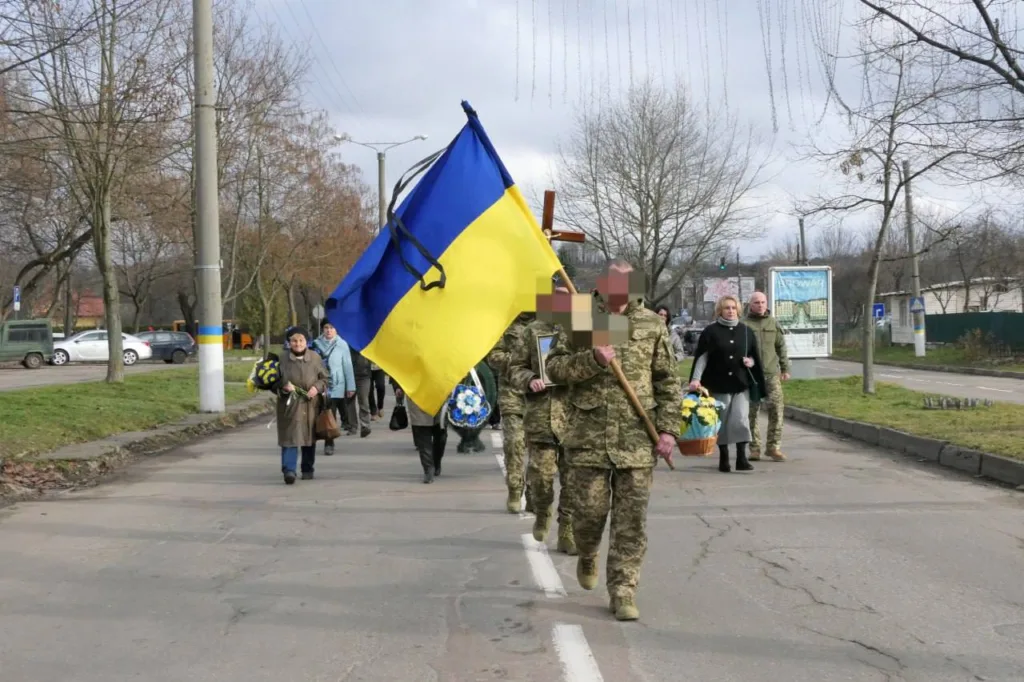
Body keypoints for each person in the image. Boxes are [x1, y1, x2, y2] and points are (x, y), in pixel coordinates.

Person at [546, 259, 681, 622]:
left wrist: (668, 430)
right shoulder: (580, 316)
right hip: (588, 435)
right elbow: (554, 368)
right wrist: (593, 359)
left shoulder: (651, 323)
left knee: (631, 521)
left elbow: (668, 381)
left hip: (636, 435)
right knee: (589, 515)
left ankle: (623, 590)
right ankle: (588, 550)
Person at [508, 286, 576, 555]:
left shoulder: (582, 329)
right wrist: (530, 379)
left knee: (573, 479)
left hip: (574, 416)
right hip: (541, 415)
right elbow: (515, 368)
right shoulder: (532, 330)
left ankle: (567, 529)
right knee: (541, 476)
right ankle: (542, 510)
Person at [688, 295, 768, 473]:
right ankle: (724, 457)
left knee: (740, 419)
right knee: (722, 421)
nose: (730, 311)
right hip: (718, 384)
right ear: (720, 311)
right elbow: (702, 357)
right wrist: (696, 379)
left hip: (740, 384)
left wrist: (750, 362)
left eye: (733, 308)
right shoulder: (710, 332)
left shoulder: (746, 332)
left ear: (738, 310)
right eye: (726, 308)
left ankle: (741, 458)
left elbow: (754, 357)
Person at [487, 314, 534, 514]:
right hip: (513, 393)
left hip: (541, 395)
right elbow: (493, 356)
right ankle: (515, 489)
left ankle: (534, 493)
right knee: (514, 443)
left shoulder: (552, 323)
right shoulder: (505, 323)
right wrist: (518, 360)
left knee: (541, 450)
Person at [275, 326, 329, 484]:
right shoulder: (282, 359)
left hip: (310, 405)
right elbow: (272, 381)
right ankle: (289, 470)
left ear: (306, 342)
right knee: (289, 437)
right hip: (289, 405)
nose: (298, 344)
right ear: (289, 342)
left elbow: (325, 378)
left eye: (301, 340)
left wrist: (317, 387)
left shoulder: (315, 358)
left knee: (309, 437)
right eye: (294, 341)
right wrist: (283, 386)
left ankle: (307, 468)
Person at [744, 291, 791, 461]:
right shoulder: (743, 325)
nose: (760, 305)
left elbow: (781, 347)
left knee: (777, 410)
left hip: (771, 375)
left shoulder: (773, 323)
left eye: (763, 302)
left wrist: (785, 368)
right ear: (750, 305)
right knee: (751, 413)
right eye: (756, 302)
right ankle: (754, 448)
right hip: (751, 376)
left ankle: (773, 447)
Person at [312, 320, 356, 456]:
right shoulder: (316, 344)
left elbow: (347, 366)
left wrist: (351, 387)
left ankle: (329, 443)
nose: (329, 330)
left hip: (336, 385)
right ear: (322, 329)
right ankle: (311, 440)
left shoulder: (342, 344)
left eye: (332, 328)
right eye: (326, 327)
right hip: (319, 384)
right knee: (317, 414)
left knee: (330, 414)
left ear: (336, 330)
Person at [393, 379, 448, 484]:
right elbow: (400, 369)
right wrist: (398, 386)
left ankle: (436, 461)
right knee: (422, 433)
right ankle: (428, 469)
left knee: (441, 434)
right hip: (417, 394)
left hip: (440, 392)